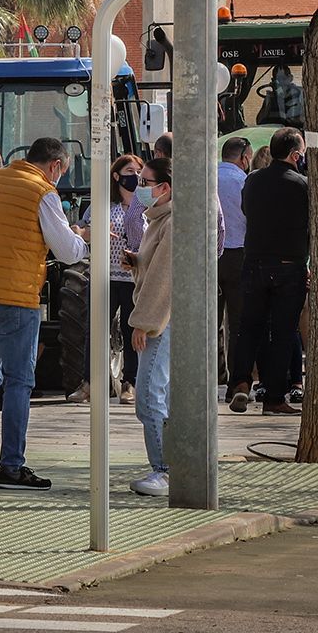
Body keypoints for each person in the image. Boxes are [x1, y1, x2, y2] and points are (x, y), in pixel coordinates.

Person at [0, 136, 85, 489]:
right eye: (62, 171)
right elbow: (68, 252)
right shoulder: (42, 192)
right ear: (55, 165)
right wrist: (81, 236)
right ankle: (12, 466)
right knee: (19, 382)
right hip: (16, 298)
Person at [231, 128, 310, 416]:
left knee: (249, 326)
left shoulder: (252, 181)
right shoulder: (302, 185)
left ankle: (240, 381)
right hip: (289, 266)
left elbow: (246, 211)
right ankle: (274, 397)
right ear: (295, 154)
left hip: (254, 262)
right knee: (283, 332)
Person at [127, 155, 177, 497]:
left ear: (164, 187)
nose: (139, 188)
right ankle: (167, 467)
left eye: (145, 183)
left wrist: (143, 323)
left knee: (148, 396)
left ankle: (163, 470)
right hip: (162, 320)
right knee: (159, 395)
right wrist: (136, 262)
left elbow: (163, 279)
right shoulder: (159, 219)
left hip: (160, 322)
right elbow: (154, 269)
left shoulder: (170, 222)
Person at [105, 153, 144, 405]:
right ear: (116, 176)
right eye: (129, 171)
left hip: (133, 279)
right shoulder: (105, 205)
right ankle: (90, 381)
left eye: (138, 171)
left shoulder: (145, 207)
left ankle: (130, 382)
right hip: (107, 277)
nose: (135, 176)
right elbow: (83, 228)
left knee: (131, 331)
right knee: (97, 330)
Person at [217, 137, 251, 369]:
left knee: (209, 321)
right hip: (239, 255)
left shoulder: (207, 178)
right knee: (238, 323)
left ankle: (205, 380)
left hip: (210, 256)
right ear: (243, 158)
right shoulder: (245, 182)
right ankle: (237, 379)